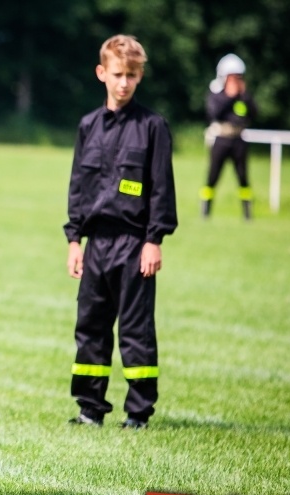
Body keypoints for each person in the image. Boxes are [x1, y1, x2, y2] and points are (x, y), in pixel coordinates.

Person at [63, 35, 177, 430]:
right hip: (96, 246)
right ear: (101, 73)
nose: (124, 82)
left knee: (135, 329)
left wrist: (154, 240)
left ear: (140, 76)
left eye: (131, 75)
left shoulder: (153, 127)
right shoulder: (88, 126)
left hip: (134, 244)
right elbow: (78, 186)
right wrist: (74, 240)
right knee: (90, 325)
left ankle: (138, 414)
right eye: (117, 74)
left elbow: (162, 188)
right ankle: (89, 409)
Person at [201, 53, 258, 219]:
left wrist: (244, 95)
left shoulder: (244, 96)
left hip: (238, 139)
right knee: (213, 176)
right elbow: (213, 113)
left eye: (238, 77)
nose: (235, 80)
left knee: (243, 177)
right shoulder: (217, 94)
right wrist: (229, 96)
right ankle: (205, 211)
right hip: (221, 139)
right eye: (232, 77)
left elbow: (254, 113)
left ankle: (247, 213)